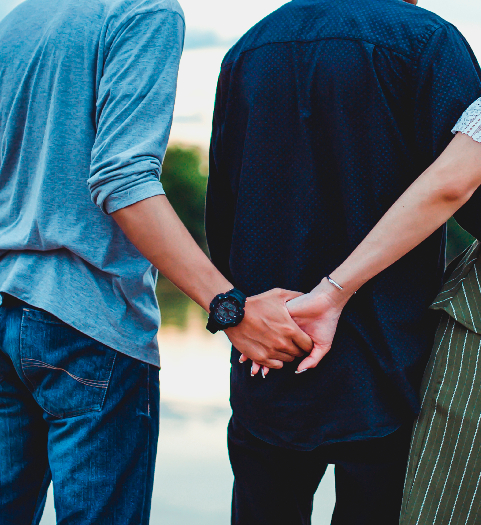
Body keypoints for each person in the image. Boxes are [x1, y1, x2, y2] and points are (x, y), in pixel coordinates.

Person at [207, 0, 481, 523]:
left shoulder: (252, 46)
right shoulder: (428, 43)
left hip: (269, 363)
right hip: (391, 373)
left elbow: (224, 211)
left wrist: (241, 315)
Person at [0, 1, 311, 523]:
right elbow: (122, 179)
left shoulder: (23, 18)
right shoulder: (143, 11)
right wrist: (228, 307)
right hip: (87, 321)